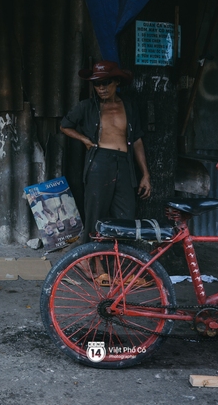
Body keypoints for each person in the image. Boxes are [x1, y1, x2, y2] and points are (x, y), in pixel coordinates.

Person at [60, 61, 151, 281]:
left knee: (125, 216)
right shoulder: (87, 107)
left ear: (117, 82)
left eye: (106, 83)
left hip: (124, 164)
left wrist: (145, 174)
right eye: (97, 84)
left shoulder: (128, 106)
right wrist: (85, 140)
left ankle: (121, 269)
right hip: (100, 162)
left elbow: (137, 140)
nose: (101, 88)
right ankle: (95, 266)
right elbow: (65, 125)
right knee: (96, 215)